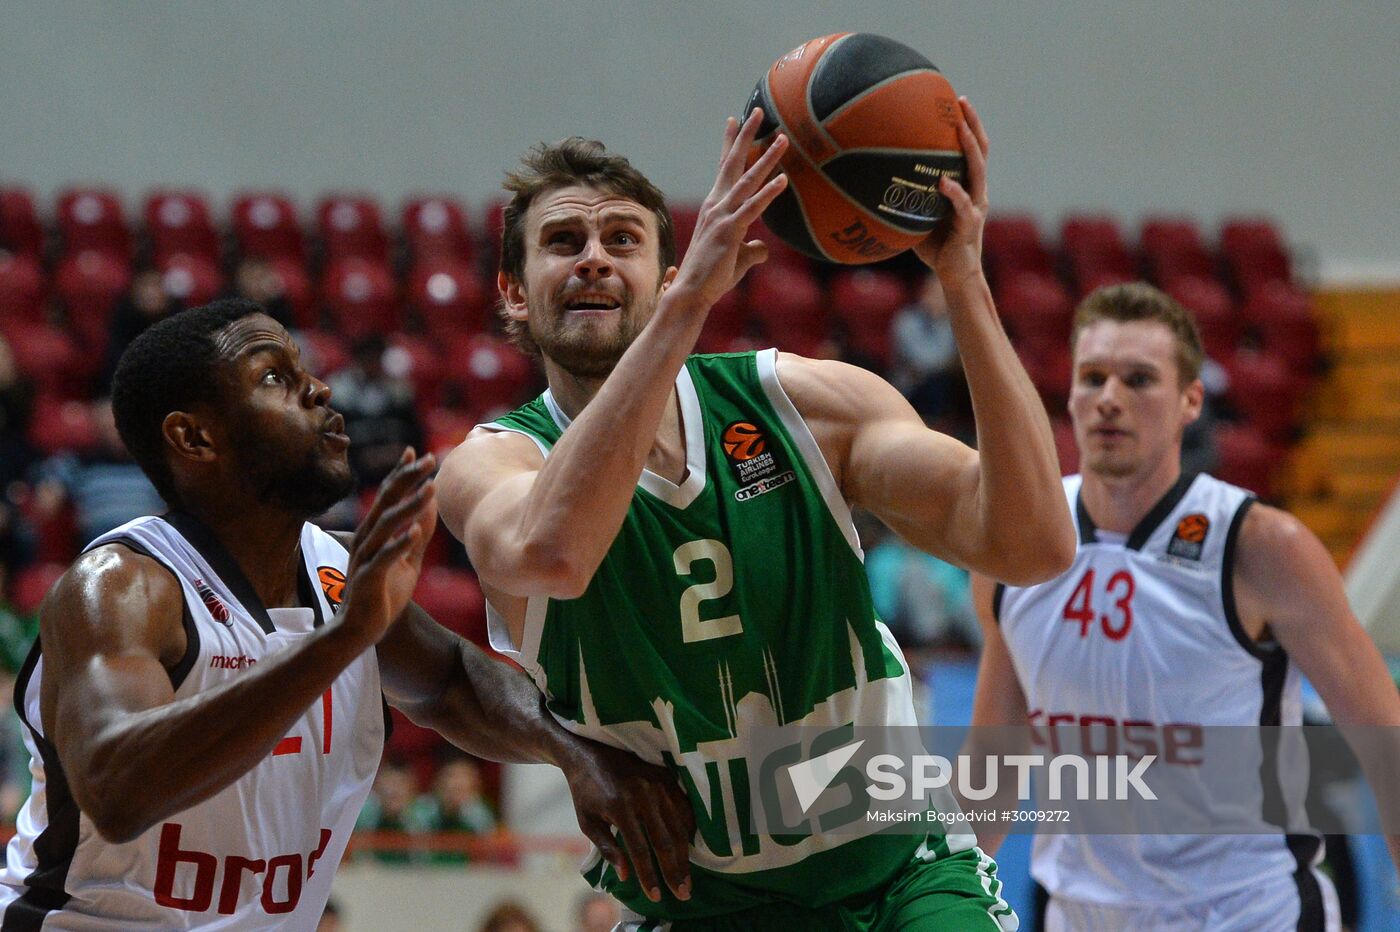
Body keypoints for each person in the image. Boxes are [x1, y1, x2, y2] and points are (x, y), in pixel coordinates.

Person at [438, 102, 1074, 928]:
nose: (594, 260)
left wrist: (964, 283)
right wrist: (684, 311)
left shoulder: (803, 403)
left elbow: (1033, 546)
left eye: (623, 241)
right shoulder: (492, 462)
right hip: (703, 906)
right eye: (564, 243)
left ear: (667, 274)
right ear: (514, 295)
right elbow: (553, 553)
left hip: (900, 875)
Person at [0, 299, 693, 928]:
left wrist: (578, 756)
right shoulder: (123, 587)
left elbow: (452, 683)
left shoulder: (337, 571)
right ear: (195, 438)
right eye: (273, 376)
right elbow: (118, 789)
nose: (318, 389)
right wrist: (345, 638)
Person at [968, 282, 1400, 931]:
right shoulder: (1016, 539)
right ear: (1070, 395)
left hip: (1251, 913)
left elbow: (1382, 742)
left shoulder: (1261, 547)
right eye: (1093, 378)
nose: (1109, 398)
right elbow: (994, 764)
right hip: (1081, 915)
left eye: (1139, 379)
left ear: (1190, 401)